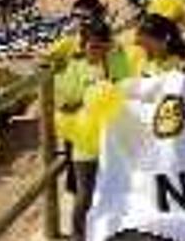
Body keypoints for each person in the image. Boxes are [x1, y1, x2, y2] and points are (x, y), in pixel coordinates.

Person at [54, 20, 130, 241]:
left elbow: (127, 90)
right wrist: (91, 98)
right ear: (83, 45)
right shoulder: (74, 67)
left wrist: (114, 59)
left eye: (102, 46)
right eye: (92, 46)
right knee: (84, 195)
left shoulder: (115, 62)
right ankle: (79, 236)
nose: (97, 51)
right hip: (84, 143)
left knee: (113, 192)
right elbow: (66, 102)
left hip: (114, 142)